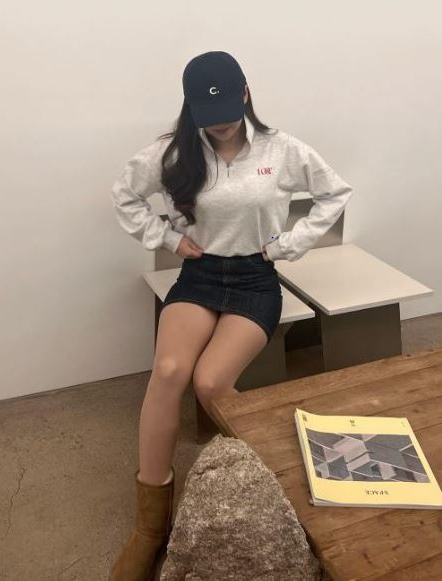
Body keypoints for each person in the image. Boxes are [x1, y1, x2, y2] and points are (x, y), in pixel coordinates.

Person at [108, 50, 353, 580]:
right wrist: (167, 239)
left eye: (225, 109)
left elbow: (335, 194)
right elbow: (124, 196)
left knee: (210, 382)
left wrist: (289, 244)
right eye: (205, 113)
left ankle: (268, 488)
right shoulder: (173, 153)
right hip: (199, 276)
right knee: (168, 371)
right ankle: (149, 528)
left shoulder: (281, 150)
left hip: (254, 279)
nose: (217, 123)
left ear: (245, 93)